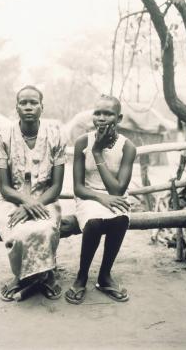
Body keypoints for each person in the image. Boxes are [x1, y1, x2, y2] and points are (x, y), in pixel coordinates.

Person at [0, 85, 66, 302]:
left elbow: (56, 188)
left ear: (42, 107)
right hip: (11, 199)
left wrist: (34, 204)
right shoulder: (3, 136)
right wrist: (26, 203)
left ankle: (48, 273)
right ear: (16, 107)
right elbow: (4, 187)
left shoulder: (56, 136)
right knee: (17, 232)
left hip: (46, 198)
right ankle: (21, 276)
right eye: (23, 103)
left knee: (46, 227)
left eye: (33, 102)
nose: (28, 107)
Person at [65, 94, 136, 304]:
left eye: (108, 114)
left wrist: (97, 154)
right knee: (95, 222)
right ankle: (82, 276)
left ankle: (105, 276)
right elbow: (78, 188)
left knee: (120, 219)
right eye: (97, 113)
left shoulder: (127, 147)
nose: (101, 118)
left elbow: (117, 190)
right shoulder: (82, 142)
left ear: (119, 118)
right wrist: (94, 149)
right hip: (88, 197)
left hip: (116, 197)